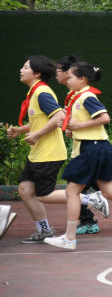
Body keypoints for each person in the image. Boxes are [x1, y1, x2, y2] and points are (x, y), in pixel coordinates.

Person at [43, 62, 112, 250]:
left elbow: (104, 118)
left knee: (72, 192)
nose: (67, 80)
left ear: (82, 79)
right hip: (97, 147)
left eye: (70, 77)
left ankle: (69, 238)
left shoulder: (87, 96)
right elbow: (86, 123)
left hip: (92, 148)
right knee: (109, 191)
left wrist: (78, 126)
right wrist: (72, 129)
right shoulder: (78, 96)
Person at [7, 56, 66, 243]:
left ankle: (91, 199)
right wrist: (21, 130)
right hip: (38, 154)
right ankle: (44, 231)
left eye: (25, 67)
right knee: (25, 190)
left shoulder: (41, 93)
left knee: (45, 196)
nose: (21, 70)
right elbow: (41, 120)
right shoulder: (35, 93)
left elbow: (59, 116)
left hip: (49, 153)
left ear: (37, 73)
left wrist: (37, 135)